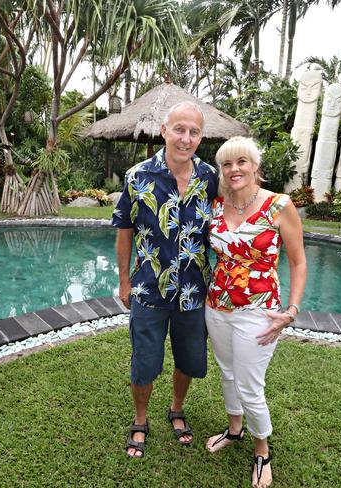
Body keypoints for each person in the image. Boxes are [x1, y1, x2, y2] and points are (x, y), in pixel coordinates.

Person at [112, 101, 218, 458]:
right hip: (148, 288)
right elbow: (124, 231)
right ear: (164, 130)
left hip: (193, 291)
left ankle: (176, 408)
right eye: (180, 129)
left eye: (194, 132)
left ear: (200, 136)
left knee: (188, 357)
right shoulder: (137, 176)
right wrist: (124, 281)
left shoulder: (210, 177)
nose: (186, 139)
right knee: (145, 359)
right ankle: (140, 419)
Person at [203, 137, 307, 488]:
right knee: (228, 373)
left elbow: (298, 261)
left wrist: (291, 310)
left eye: (241, 162)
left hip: (259, 311)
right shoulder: (216, 205)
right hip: (216, 305)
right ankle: (234, 430)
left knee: (250, 385)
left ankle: (261, 449)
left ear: (255, 166)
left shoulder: (279, 205)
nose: (234, 170)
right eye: (227, 164)